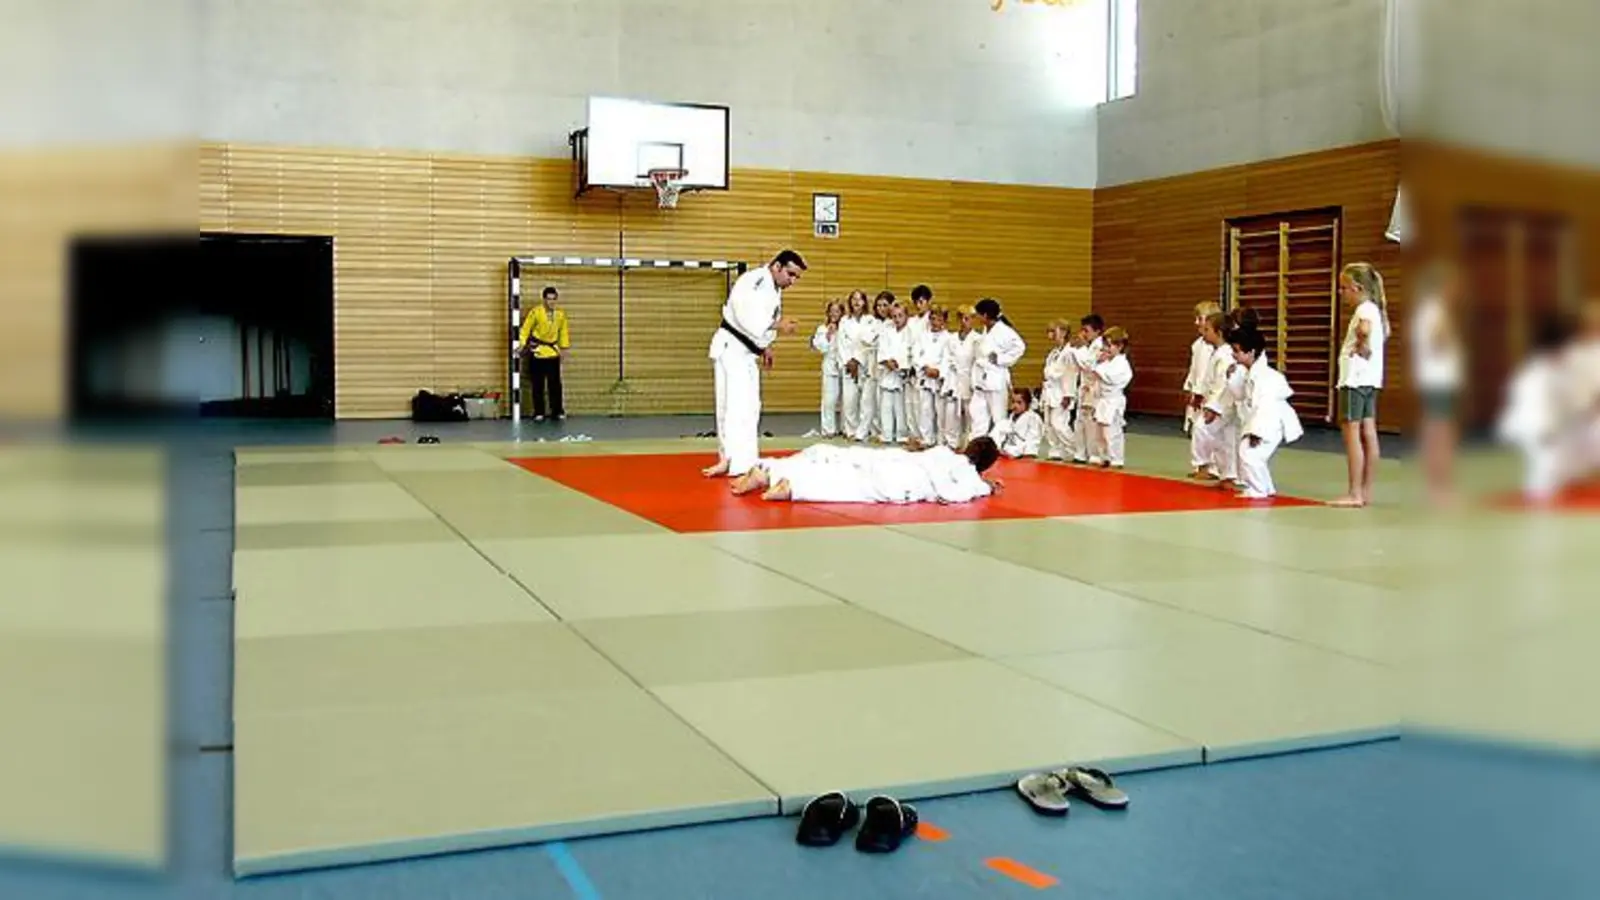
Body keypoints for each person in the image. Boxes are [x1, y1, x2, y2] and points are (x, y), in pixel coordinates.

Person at [703, 250, 804, 478]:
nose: (792, 281)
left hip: (746, 352)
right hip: (732, 349)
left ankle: (741, 460)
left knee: (749, 407)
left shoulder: (773, 287)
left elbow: (758, 324)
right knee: (735, 408)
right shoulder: (755, 280)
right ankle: (732, 462)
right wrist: (777, 325)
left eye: (796, 277)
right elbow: (745, 315)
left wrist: (765, 346)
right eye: (790, 274)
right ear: (777, 266)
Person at [730, 436, 1003, 504]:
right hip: (902, 482)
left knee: (837, 457)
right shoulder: (971, 479)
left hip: (894, 459)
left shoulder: (943, 451)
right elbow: (950, 495)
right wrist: (986, 487)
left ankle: (769, 469)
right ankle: (792, 487)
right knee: (846, 485)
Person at [1330, 262, 1390, 507]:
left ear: (1357, 288)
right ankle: (1366, 491)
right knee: (1369, 432)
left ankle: (1355, 492)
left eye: (1344, 288)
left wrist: (1361, 344)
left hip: (1354, 380)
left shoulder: (1364, 310)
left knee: (1352, 434)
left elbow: (1364, 330)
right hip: (1370, 381)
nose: (1341, 293)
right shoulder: (1375, 309)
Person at [1409, 260, 1464, 506]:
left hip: (1436, 380)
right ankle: (1439, 488)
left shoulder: (1428, 309)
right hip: (1438, 381)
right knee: (1441, 434)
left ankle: (1437, 487)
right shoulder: (1435, 310)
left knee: (1438, 432)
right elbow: (1440, 341)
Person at [1232, 326, 1304, 499]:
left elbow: (1265, 407)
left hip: (1271, 421)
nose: (1233, 355)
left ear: (1251, 352)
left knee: (1250, 454)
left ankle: (1259, 490)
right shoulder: (1249, 373)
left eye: (1237, 351)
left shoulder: (1266, 377)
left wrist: (1257, 431)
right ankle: (1265, 487)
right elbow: (1239, 395)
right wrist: (1232, 378)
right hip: (1262, 419)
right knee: (1249, 453)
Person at [1191, 312, 1237, 485]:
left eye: (1207, 330)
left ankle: (1205, 466)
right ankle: (1227, 475)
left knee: (1202, 429)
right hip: (1217, 400)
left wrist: (1213, 407)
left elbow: (1223, 384)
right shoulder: (1218, 352)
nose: (1203, 333)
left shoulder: (1226, 355)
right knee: (1224, 439)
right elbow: (1209, 379)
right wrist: (1199, 394)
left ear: (1219, 333)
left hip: (1223, 403)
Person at [969, 298, 1026, 438]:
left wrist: (1000, 359)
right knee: (977, 414)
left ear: (985, 315)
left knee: (998, 418)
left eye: (978, 314)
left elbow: (1020, 347)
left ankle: (1000, 444)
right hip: (981, 380)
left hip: (996, 379)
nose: (977, 317)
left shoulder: (1004, 331)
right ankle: (977, 442)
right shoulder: (986, 330)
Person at [519, 285, 570, 421]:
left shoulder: (560, 315)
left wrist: (564, 349)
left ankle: (557, 411)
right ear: (544, 300)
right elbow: (525, 329)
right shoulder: (535, 312)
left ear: (556, 300)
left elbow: (563, 333)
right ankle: (539, 412)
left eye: (553, 299)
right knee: (538, 384)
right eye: (548, 299)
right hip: (538, 352)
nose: (551, 302)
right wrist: (522, 344)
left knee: (555, 385)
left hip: (553, 353)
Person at [1184, 301, 1223, 474]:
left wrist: (1202, 393)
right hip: (1198, 391)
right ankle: (1200, 465)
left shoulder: (1217, 348)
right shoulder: (1198, 344)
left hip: (1210, 394)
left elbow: (1212, 375)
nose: (1196, 323)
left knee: (1209, 430)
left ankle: (1212, 467)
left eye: (1199, 319)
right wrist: (1189, 387)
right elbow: (1194, 369)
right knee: (1197, 429)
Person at [1085, 326, 1133, 468]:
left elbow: (1110, 378)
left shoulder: (1122, 364)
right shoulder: (1105, 362)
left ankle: (1116, 459)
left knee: (1112, 431)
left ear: (1120, 346)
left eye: (1110, 345)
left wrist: (1098, 369)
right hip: (1102, 400)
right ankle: (1104, 456)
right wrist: (1098, 363)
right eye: (1105, 345)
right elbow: (1091, 373)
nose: (1106, 349)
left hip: (1113, 400)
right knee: (1100, 431)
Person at [911, 306, 953, 449]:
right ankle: (926, 439)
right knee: (925, 409)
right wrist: (924, 367)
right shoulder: (922, 336)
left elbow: (948, 359)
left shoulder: (949, 338)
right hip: (925, 376)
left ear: (945, 321)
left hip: (939, 378)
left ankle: (941, 440)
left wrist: (939, 371)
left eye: (939, 319)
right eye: (933, 319)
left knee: (941, 411)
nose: (935, 322)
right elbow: (916, 354)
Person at [1068, 313, 1105, 463]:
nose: (1083, 333)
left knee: (1091, 423)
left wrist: (1080, 348)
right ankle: (1080, 453)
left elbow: (1089, 365)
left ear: (1097, 331)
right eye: (1082, 330)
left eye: (1086, 330)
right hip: (1084, 387)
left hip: (1093, 388)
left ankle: (1094, 454)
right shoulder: (1090, 346)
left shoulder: (1100, 346)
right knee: (1080, 421)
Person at [876, 299, 913, 443]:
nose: (897, 319)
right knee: (885, 406)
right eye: (894, 316)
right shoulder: (887, 331)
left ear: (906, 316)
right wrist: (887, 362)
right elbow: (882, 349)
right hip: (887, 372)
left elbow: (911, 353)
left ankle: (901, 434)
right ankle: (886, 434)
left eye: (900, 316)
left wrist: (902, 365)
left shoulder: (911, 333)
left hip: (902, 375)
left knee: (901, 407)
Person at [838, 290, 873, 440]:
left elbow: (868, 343)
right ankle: (850, 430)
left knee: (866, 401)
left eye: (860, 299)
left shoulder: (871, 320)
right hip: (848, 365)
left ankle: (864, 430)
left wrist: (858, 360)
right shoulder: (844, 321)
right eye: (854, 299)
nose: (857, 302)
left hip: (865, 364)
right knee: (849, 400)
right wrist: (849, 361)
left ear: (864, 302)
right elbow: (841, 343)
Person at [945, 305, 981, 448]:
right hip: (954, 380)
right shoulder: (951, 338)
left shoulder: (977, 339)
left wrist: (975, 382)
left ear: (973, 320)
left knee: (971, 414)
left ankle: (969, 445)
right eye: (962, 318)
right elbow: (947, 359)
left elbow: (978, 361)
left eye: (968, 318)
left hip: (970, 380)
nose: (964, 322)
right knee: (951, 414)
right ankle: (952, 443)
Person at [811, 299, 846, 437]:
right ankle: (828, 429)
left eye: (837, 311)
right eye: (831, 311)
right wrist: (828, 335)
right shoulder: (822, 329)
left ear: (842, 313)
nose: (834, 314)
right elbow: (820, 348)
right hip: (830, 367)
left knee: (848, 401)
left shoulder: (847, 327)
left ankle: (846, 428)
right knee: (829, 400)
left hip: (845, 367)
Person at [1040, 321, 1074, 461]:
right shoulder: (1054, 352)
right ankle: (1055, 450)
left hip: (1062, 391)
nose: (1050, 334)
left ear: (1064, 332)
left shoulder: (1069, 352)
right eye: (1049, 331)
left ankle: (1073, 448)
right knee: (1048, 424)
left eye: (1054, 331)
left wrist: (1068, 395)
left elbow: (1070, 374)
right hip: (1050, 391)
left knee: (1058, 423)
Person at [996, 387, 1044, 459]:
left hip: (1023, 456)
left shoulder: (1033, 418)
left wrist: (1028, 455)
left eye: (1019, 402)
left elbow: (1033, 440)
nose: (1015, 405)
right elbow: (998, 436)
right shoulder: (1009, 419)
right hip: (1006, 455)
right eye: (1013, 402)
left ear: (1027, 403)